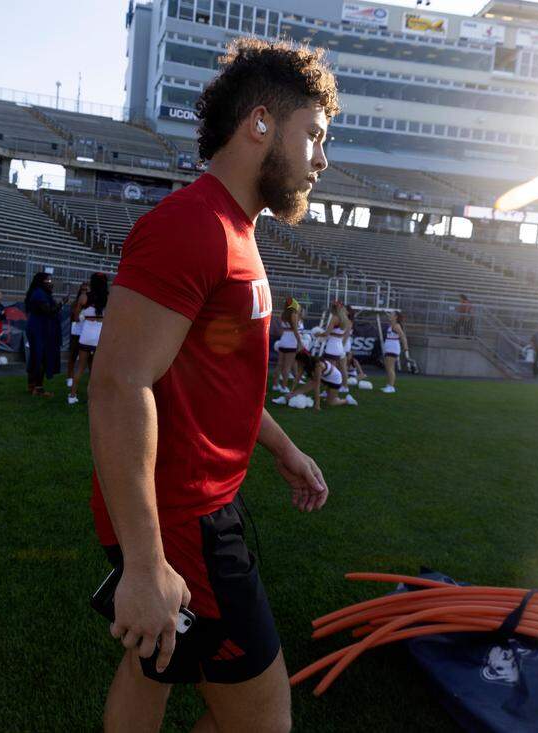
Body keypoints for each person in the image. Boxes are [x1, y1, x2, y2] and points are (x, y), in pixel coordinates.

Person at [87, 38, 337, 733]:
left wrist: (282, 447)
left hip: (191, 510)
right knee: (263, 722)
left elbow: (213, 379)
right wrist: (145, 564)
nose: (322, 158)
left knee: (155, 663)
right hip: (179, 522)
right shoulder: (192, 226)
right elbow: (117, 385)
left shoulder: (238, 230)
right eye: (313, 135)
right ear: (260, 123)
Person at [68, 272, 108, 405]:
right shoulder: (109, 298)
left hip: (86, 334)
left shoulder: (84, 297)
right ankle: (94, 397)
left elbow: (75, 317)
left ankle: (72, 396)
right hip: (100, 335)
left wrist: (84, 315)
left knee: (80, 367)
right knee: (95, 369)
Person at [272, 351, 357, 410]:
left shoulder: (317, 365)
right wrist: (292, 390)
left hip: (335, 379)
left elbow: (317, 387)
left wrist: (317, 404)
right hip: (325, 377)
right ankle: (284, 399)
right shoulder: (304, 364)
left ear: (302, 361)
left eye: (298, 362)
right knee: (303, 389)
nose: (297, 364)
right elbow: (297, 377)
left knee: (331, 402)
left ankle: (347, 400)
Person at [24, 271, 63, 397]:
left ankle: (31, 386)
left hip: (39, 327)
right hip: (39, 329)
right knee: (40, 357)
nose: (51, 283)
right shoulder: (38, 294)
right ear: (42, 282)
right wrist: (61, 303)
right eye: (49, 281)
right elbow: (49, 311)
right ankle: (38, 389)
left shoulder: (39, 293)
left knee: (36, 356)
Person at [270, 298, 305, 394]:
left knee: (280, 364)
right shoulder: (293, 314)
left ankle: (275, 385)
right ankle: (284, 387)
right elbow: (295, 330)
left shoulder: (284, 314)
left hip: (283, 340)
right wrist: (300, 342)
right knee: (287, 366)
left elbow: (283, 330)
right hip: (291, 342)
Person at [67, 282, 89, 389]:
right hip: (76, 332)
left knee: (87, 359)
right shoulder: (76, 303)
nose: (84, 292)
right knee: (73, 356)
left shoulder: (92, 304)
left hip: (86, 333)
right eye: (83, 290)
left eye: (86, 290)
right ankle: (69, 377)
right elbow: (74, 318)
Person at [381, 311, 409, 394]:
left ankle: (391, 387)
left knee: (390, 368)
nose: (390, 315)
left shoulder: (396, 326)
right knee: (389, 368)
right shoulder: (391, 325)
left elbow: (403, 336)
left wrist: (406, 348)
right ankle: (389, 385)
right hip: (389, 348)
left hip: (393, 348)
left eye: (392, 314)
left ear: (396, 317)